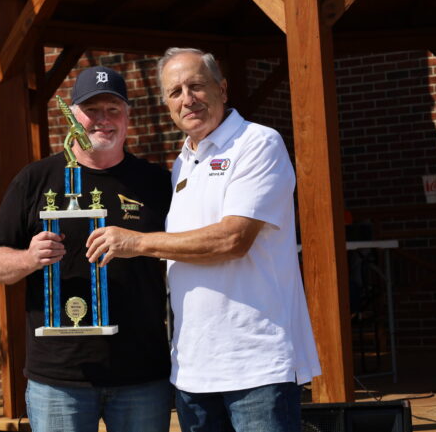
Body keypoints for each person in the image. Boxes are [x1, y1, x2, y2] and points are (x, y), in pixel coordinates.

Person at [86, 48, 321, 432]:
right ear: (166, 104)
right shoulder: (183, 163)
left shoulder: (258, 143)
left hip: (256, 366)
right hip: (194, 371)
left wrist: (138, 243)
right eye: (175, 91)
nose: (187, 99)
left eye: (196, 85)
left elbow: (233, 239)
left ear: (222, 89)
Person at [0, 65, 173, 432]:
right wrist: (30, 258)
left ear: (127, 117)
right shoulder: (35, 180)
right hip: (59, 379)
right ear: (72, 117)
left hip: (142, 373)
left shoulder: (157, 183)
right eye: (92, 109)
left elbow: (187, 249)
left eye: (113, 109)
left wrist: (141, 244)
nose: (103, 119)